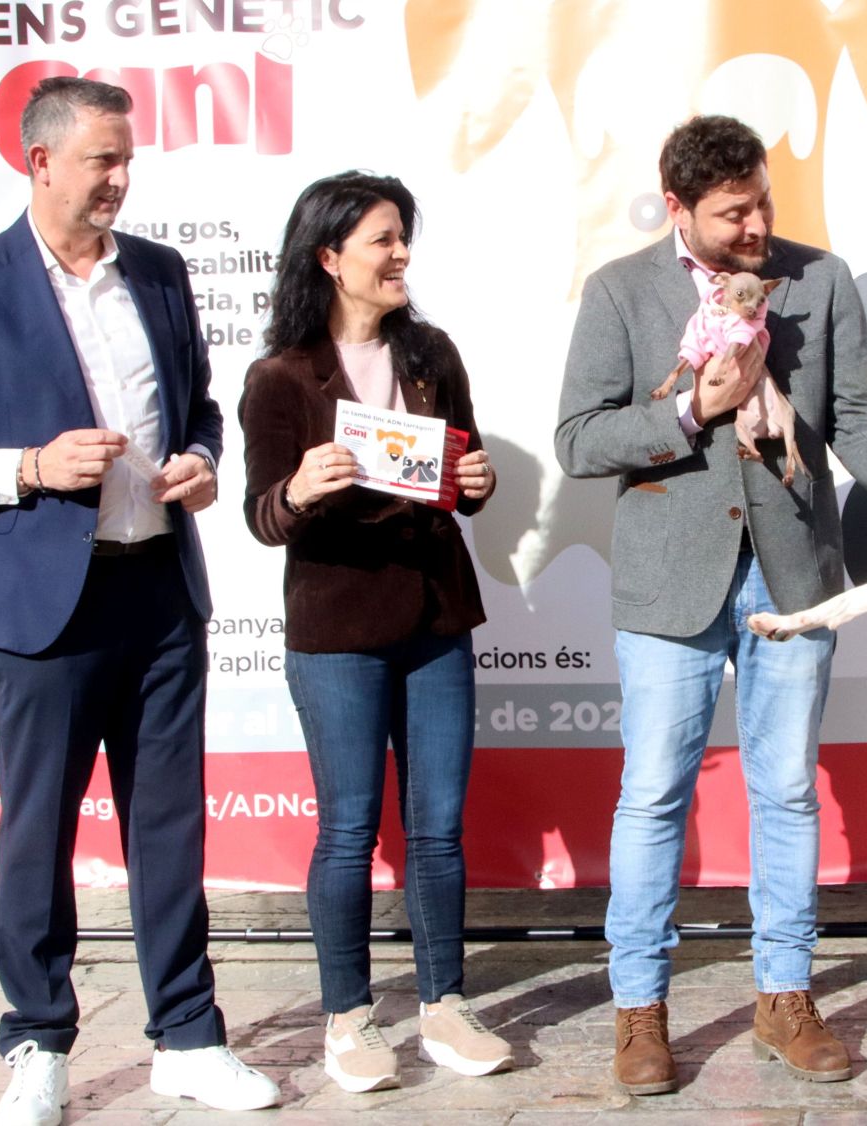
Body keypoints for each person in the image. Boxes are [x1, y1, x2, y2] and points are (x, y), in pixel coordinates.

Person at [0, 77, 280, 1125]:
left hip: (157, 588)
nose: (120, 177)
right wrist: (26, 466)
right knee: (36, 831)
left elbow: (197, 404)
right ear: (41, 162)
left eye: (127, 158)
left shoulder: (157, 273)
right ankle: (37, 1040)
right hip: (37, 606)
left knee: (170, 828)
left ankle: (189, 1038)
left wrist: (200, 459)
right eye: (103, 159)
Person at [554, 114, 867, 1095]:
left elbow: (856, 420)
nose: (754, 227)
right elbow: (578, 439)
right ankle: (638, 1011)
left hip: (790, 570)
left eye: (762, 204)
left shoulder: (817, 280)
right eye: (731, 213)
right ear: (676, 209)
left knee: (783, 788)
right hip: (669, 578)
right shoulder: (620, 291)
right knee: (654, 792)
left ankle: (783, 997)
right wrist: (691, 409)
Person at [239, 171, 507, 1093]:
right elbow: (263, 517)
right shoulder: (280, 377)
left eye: (403, 239)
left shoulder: (430, 352)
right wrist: (299, 491)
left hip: (435, 615)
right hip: (337, 627)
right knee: (348, 830)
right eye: (383, 241)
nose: (400, 257)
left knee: (438, 829)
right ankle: (349, 1018)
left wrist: (478, 482)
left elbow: (465, 462)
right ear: (331, 258)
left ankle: (444, 1004)